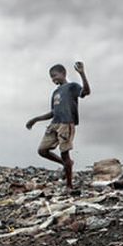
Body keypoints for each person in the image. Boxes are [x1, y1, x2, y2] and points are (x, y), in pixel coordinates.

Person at [26, 62, 91, 190]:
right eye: (51, 77)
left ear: (63, 74)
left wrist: (82, 73)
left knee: (64, 154)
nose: (53, 79)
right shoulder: (55, 92)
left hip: (66, 123)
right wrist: (35, 119)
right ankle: (66, 164)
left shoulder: (71, 87)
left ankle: (69, 185)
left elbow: (86, 92)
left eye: (55, 75)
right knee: (42, 150)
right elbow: (52, 112)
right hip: (54, 123)